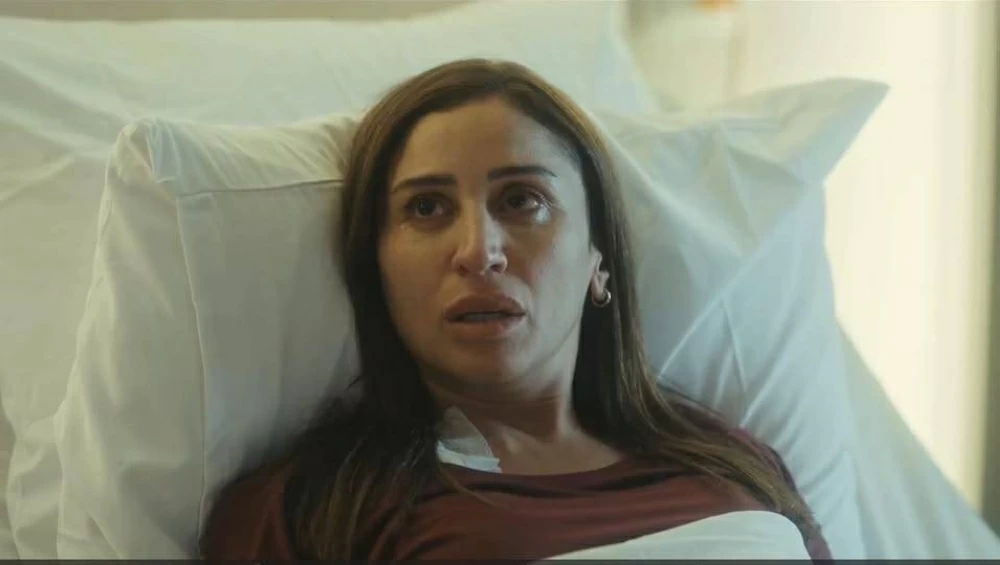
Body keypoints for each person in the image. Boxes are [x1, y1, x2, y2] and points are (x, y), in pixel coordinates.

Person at [200, 58, 832, 562]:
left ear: (598, 259)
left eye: (522, 200)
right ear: (376, 268)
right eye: (426, 208)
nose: (479, 252)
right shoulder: (315, 510)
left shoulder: (735, 464)